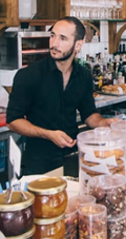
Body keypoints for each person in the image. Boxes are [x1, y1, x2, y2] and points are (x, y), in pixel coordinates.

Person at [7, 16, 117, 174]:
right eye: (52, 36)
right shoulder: (28, 75)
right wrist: (48, 134)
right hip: (38, 164)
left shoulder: (84, 76)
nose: (54, 43)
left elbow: (89, 114)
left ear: (78, 45)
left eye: (63, 38)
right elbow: (13, 121)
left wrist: (105, 124)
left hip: (72, 159)